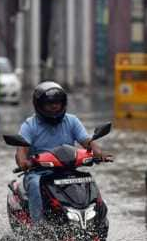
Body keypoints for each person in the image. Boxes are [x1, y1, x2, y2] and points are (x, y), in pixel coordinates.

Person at [15, 81, 103, 225]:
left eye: (58, 102)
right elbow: (21, 150)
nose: (55, 106)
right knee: (35, 184)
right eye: (50, 103)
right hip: (39, 172)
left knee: (88, 180)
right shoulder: (29, 125)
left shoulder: (72, 121)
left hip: (67, 170)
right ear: (40, 105)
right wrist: (24, 162)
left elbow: (86, 140)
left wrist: (97, 150)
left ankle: (97, 221)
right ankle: (38, 226)